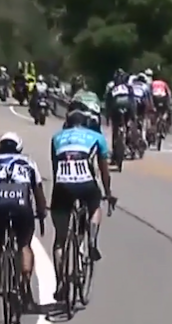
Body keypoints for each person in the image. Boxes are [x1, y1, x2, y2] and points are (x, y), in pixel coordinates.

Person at [50, 109, 115, 297]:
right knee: (95, 205)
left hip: (62, 185)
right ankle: (92, 238)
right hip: (86, 184)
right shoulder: (96, 137)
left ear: (67, 124)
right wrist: (108, 192)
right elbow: (104, 170)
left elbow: (55, 168)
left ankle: (61, 283)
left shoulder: (57, 138)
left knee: (60, 240)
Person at [0, 132, 47, 303]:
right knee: (24, 244)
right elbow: (38, 191)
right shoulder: (29, 163)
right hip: (22, 208)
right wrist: (41, 212)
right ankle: (25, 281)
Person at [104, 69, 135, 153]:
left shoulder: (111, 87)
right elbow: (132, 102)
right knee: (128, 123)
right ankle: (129, 139)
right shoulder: (128, 87)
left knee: (115, 126)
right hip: (127, 105)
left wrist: (108, 116)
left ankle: (115, 149)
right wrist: (133, 115)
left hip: (116, 106)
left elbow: (108, 102)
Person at [129, 72, 152, 145]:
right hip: (141, 103)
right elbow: (149, 98)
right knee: (143, 119)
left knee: (131, 118)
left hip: (132, 103)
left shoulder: (132, 85)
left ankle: (130, 131)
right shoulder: (145, 86)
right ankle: (143, 137)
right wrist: (151, 107)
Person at [149, 70, 172, 134]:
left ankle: (154, 123)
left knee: (154, 111)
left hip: (155, 98)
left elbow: (149, 92)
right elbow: (168, 92)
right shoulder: (164, 83)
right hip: (163, 97)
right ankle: (163, 119)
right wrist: (170, 101)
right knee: (166, 110)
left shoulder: (152, 83)